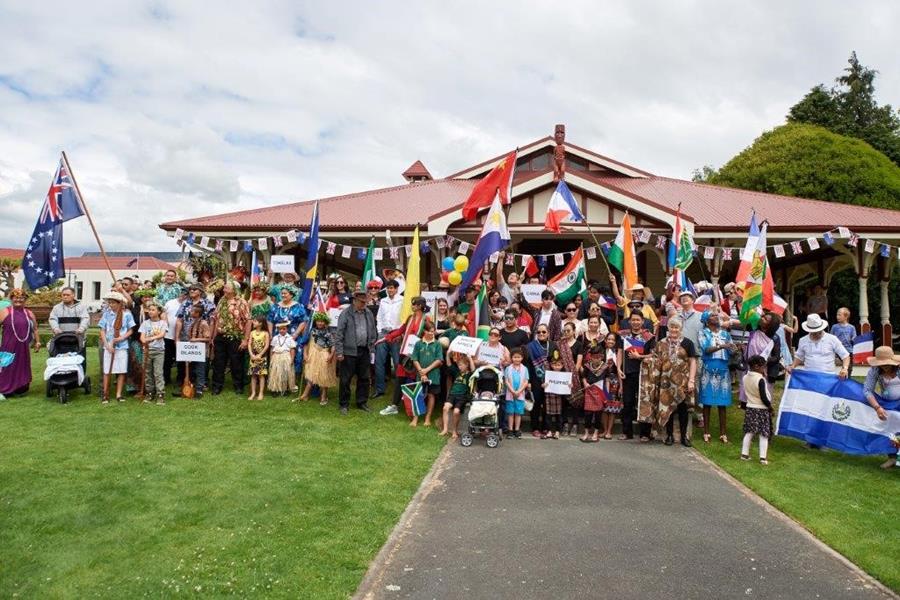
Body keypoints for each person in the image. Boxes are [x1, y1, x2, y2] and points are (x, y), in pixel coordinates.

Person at [638, 316, 697, 447]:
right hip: (665, 382)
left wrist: (691, 380)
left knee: (683, 409)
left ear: (680, 328)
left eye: (676, 327)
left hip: (683, 382)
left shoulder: (688, 343)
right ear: (668, 328)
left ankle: (684, 437)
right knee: (667, 409)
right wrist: (646, 360)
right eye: (672, 327)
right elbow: (655, 358)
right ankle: (669, 435)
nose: (674, 330)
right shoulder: (661, 343)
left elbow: (693, 361)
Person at [335, 290, 377, 415]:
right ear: (354, 301)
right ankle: (343, 404)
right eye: (361, 302)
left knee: (364, 378)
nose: (364, 304)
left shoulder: (368, 313)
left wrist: (372, 348)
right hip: (348, 351)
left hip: (364, 350)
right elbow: (339, 334)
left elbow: (373, 330)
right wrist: (339, 352)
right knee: (345, 379)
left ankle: (362, 402)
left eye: (365, 302)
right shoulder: (345, 313)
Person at [699, 313, 734, 443]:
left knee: (722, 402)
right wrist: (721, 346)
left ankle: (723, 433)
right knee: (707, 401)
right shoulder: (703, 333)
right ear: (707, 321)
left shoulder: (725, 334)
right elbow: (706, 349)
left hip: (723, 368)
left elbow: (730, 349)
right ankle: (706, 432)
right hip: (709, 367)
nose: (716, 317)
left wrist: (735, 349)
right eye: (713, 315)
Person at [620, 311, 655, 441]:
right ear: (629, 321)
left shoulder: (649, 337)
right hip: (628, 373)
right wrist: (619, 368)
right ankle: (626, 432)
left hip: (644, 374)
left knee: (644, 402)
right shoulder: (623, 335)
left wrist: (639, 356)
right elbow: (619, 352)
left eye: (638, 320)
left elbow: (654, 355)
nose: (635, 322)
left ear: (642, 321)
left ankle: (645, 433)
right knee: (627, 403)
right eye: (633, 320)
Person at [863, 346, 900, 469]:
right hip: (887, 405)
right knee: (890, 430)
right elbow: (867, 390)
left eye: (887, 363)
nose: (884, 366)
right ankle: (892, 458)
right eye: (881, 363)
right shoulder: (874, 371)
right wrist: (877, 407)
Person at [211, 282, 251, 396]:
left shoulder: (242, 302)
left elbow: (248, 321)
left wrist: (245, 339)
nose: (224, 289)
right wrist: (213, 337)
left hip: (235, 336)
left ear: (233, 290)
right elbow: (216, 319)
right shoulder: (222, 301)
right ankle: (217, 386)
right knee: (218, 362)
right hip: (220, 336)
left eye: (226, 287)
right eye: (224, 287)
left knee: (236, 362)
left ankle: (238, 386)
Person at [0, 288, 40, 398]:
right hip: (8, 346)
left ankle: (20, 388)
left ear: (25, 299)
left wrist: (37, 342)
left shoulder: (29, 313)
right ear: (12, 299)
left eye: (21, 298)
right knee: (7, 366)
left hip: (23, 346)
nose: (19, 300)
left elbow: (35, 329)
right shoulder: (5, 311)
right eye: (16, 297)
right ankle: (4, 389)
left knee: (22, 366)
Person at [98, 291, 135, 403]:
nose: (111, 305)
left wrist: (121, 338)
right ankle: (105, 394)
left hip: (122, 346)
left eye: (114, 303)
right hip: (109, 345)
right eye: (110, 303)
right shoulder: (106, 314)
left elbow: (130, 330)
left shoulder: (127, 314)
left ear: (120, 303)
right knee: (107, 370)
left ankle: (119, 394)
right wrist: (107, 344)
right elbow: (102, 330)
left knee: (121, 370)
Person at [787, 314, 850, 378]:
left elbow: (845, 356)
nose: (817, 334)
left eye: (819, 331)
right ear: (809, 330)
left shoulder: (832, 339)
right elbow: (799, 356)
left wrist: (845, 368)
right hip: (809, 377)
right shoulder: (803, 340)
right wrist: (793, 366)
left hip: (828, 377)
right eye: (814, 332)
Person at [267, 286, 307, 378]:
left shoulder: (298, 306)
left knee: (293, 356)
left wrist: (296, 334)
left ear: (291, 295)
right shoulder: (276, 306)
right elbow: (269, 319)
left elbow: (304, 320)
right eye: (282, 293)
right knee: (278, 355)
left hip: (293, 335)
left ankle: (291, 380)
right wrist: (270, 333)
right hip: (278, 335)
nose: (283, 295)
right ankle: (277, 379)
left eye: (285, 293)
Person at [525, 324, 558, 437]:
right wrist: (528, 381)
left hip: (549, 380)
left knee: (546, 404)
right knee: (536, 404)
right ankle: (534, 427)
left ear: (548, 333)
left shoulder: (553, 345)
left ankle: (545, 427)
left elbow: (556, 361)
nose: (541, 334)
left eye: (544, 332)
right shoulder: (530, 346)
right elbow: (527, 365)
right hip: (535, 379)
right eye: (538, 332)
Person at [740, 355, 773, 465]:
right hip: (761, 409)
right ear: (756, 366)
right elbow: (763, 397)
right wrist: (770, 407)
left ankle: (744, 454)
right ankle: (763, 458)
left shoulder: (745, 377)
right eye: (763, 366)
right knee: (764, 434)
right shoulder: (760, 379)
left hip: (750, 408)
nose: (764, 369)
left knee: (749, 432)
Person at [300, 312, 338, 405]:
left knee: (324, 375)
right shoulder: (311, 331)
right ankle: (305, 395)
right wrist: (305, 354)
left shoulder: (328, 333)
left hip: (324, 353)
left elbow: (333, 345)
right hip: (313, 354)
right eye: (318, 321)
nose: (320, 323)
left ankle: (324, 396)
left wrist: (331, 355)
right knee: (310, 374)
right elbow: (305, 343)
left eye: (322, 321)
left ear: (325, 322)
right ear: (315, 321)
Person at [374, 279, 403, 398]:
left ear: (396, 289)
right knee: (379, 362)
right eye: (388, 288)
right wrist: (379, 331)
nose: (390, 290)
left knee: (397, 363)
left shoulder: (402, 300)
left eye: (392, 288)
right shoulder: (383, 301)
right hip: (383, 333)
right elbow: (379, 317)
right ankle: (380, 389)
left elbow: (404, 317)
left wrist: (400, 332)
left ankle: (398, 391)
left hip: (396, 333)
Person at [410, 321, 443, 428]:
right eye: (430, 331)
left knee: (431, 395)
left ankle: (427, 418)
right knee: (418, 395)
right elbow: (414, 359)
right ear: (424, 331)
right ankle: (415, 418)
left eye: (433, 332)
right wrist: (421, 371)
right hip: (420, 374)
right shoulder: (418, 343)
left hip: (433, 374)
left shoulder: (437, 344)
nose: (432, 333)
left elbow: (439, 360)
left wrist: (427, 370)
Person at [557, 321, 584, 437]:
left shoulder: (578, 345)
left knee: (575, 402)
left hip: (573, 377)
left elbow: (578, 363)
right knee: (563, 402)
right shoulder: (560, 344)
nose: (566, 332)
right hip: (562, 377)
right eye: (565, 331)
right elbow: (557, 360)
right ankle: (565, 423)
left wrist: (572, 376)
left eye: (569, 330)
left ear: (574, 331)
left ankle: (575, 424)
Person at [440, 352, 474, 439]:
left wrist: (470, 359)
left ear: (467, 365)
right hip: (452, 394)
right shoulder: (456, 372)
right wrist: (447, 354)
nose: (460, 367)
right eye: (459, 365)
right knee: (445, 408)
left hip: (462, 396)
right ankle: (445, 429)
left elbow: (474, 370)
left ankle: (454, 430)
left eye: (461, 365)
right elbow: (449, 364)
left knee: (456, 411)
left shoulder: (469, 374)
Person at [139, 301, 168, 404]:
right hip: (147, 351)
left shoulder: (163, 323)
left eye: (153, 310)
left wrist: (151, 338)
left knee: (158, 373)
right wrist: (144, 340)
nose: (150, 312)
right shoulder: (145, 323)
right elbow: (142, 336)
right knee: (147, 373)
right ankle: (150, 392)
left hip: (159, 351)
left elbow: (162, 334)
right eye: (149, 310)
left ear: (159, 311)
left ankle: (160, 394)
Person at [580, 340, 608, 443]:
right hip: (589, 391)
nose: (596, 359)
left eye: (598, 357)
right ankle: (586, 432)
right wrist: (585, 383)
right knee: (587, 413)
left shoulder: (605, 367)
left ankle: (596, 432)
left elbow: (607, 379)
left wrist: (607, 394)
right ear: (590, 357)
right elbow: (583, 376)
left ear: (602, 357)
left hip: (599, 391)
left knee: (598, 414)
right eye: (594, 357)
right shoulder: (588, 366)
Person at [598, 333, 624, 440]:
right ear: (605, 340)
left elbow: (620, 370)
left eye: (613, 340)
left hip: (615, 382)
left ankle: (609, 431)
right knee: (604, 407)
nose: (610, 341)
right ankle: (604, 430)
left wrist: (621, 386)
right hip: (603, 381)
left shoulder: (618, 352)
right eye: (608, 339)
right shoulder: (601, 352)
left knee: (613, 407)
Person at [162, 288, 187, 387]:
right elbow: (163, 313)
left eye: (185, 294)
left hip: (182, 337)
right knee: (167, 360)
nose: (183, 295)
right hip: (168, 335)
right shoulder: (170, 303)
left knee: (180, 360)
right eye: (182, 293)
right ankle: (166, 378)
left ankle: (180, 379)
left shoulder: (188, 304)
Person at [504, 348, 530, 439]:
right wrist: (512, 391)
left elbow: (526, 381)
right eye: (515, 357)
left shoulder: (525, 369)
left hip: (520, 394)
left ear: (522, 358)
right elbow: (506, 381)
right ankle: (510, 430)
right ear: (511, 358)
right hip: (510, 394)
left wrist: (518, 391)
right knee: (511, 413)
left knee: (518, 413)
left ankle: (517, 429)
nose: (517, 359)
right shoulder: (508, 368)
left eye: (518, 357)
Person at [186, 304, 211, 397]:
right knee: (192, 369)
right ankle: (191, 387)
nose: (190, 312)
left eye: (192, 311)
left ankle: (200, 389)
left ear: (197, 313)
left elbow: (208, 338)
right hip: (193, 351)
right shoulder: (192, 323)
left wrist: (196, 340)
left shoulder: (204, 323)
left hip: (201, 352)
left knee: (200, 370)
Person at [542, 349, 566, 439]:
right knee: (548, 415)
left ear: (562, 365)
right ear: (551, 365)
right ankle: (548, 431)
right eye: (554, 365)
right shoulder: (548, 374)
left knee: (559, 416)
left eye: (559, 365)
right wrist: (543, 385)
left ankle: (557, 431)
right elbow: (542, 384)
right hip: (549, 396)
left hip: (559, 397)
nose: (556, 367)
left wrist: (569, 385)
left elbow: (567, 386)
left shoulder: (564, 375)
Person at [268, 321, 296, 395]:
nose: (282, 330)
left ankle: (284, 389)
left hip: (286, 356)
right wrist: (271, 358)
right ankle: (275, 389)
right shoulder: (275, 338)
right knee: (276, 373)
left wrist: (292, 359)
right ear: (278, 329)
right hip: (276, 356)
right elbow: (272, 348)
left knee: (285, 374)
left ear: (287, 329)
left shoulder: (290, 338)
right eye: (280, 329)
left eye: (284, 329)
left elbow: (292, 349)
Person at [247, 315, 269, 401]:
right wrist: (251, 354)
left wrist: (260, 354)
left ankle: (261, 393)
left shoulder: (265, 333)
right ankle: (253, 393)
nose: (253, 322)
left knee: (261, 375)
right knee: (253, 375)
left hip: (261, 357)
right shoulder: (252, 332)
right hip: (253, 356)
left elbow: (266, 345)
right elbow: (249, 344)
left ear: (260, 323)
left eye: (255, 321)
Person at [830, 307, 856, 375]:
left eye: (839, 315)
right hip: (837, 350)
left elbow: (854, 337)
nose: (837, 317)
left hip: (849, 350)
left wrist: (854, 339)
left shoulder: (851, 327)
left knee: (849, 367)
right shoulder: (834, 327)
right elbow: (830, 337)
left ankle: (846, 379)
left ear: (846, 316)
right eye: (837, 315)